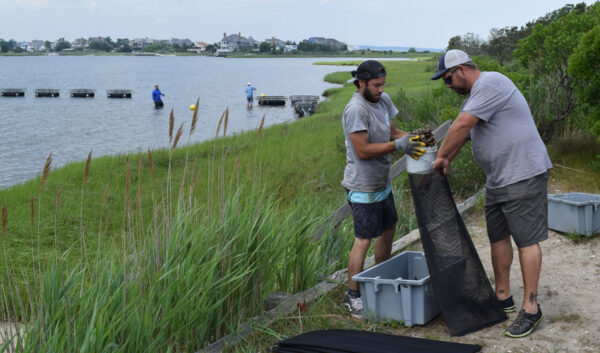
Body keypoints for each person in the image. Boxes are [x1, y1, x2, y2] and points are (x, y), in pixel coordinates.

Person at [431, 49, 552, 338]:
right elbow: (464, 133)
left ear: (460, 69)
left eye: (448, 80)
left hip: (523, 173)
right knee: (497, 236)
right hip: (498, 179)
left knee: (526, 239)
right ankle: (502, 297)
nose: (447, 87)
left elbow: (461, 125)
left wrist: (440, 157)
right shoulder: (475, 97)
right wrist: (447, 159)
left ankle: (531, 309)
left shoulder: (491, 83)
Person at [341, 60, 425, 318]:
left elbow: (391, 131)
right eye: (376, 85)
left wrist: (412, 136)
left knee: (388, 230)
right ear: (361, 83)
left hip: (382, 183)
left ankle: (383, 281)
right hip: (363, 186)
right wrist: (398, 146)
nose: (380, 89)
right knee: (363, 239)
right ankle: (352, 296)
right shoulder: (356, 109)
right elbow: (363, 150)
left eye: (383, 84)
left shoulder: (383, 100)